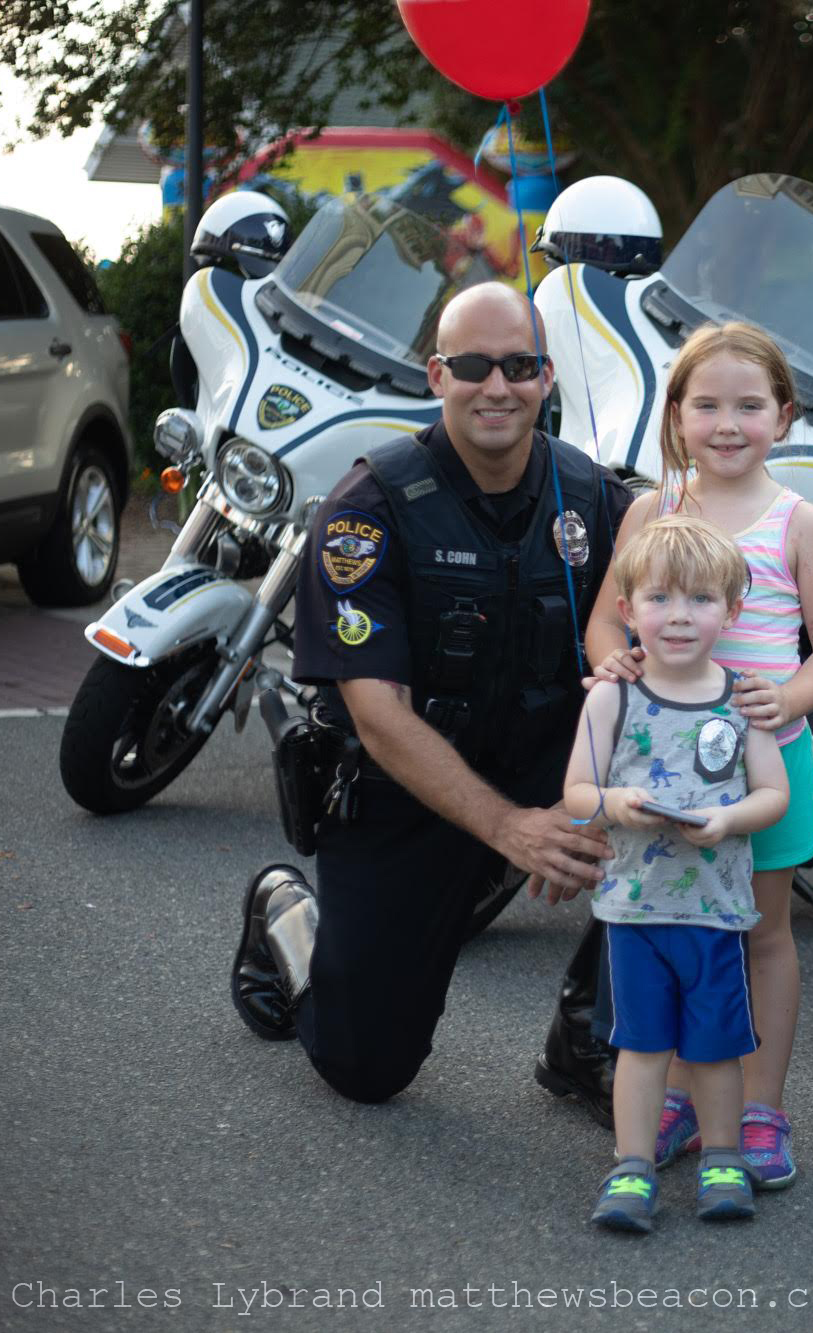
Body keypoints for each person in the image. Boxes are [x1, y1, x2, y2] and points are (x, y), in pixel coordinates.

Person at [228, 282, 633, 1110]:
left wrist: (589, 806)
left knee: (688, 776)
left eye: (519, 365)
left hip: (540, 760)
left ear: (547, 377)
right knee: (366, 1068)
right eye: (475, 366)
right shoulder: (368, 510)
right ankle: (287, 915)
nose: (498, 386)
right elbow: (378, 718)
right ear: (435, 374)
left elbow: (677, 544)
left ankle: (592, 1036)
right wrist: (512, 829)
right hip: (406, 790)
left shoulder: (590, 495)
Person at [582, 321, 813, 1189]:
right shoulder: (651, 512)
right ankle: (674, 1100)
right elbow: (603, 618)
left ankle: (760, 1108)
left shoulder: (799, 524)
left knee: (762, 933)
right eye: (707, 405)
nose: (728, 423)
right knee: (665, 931)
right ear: (676, 414)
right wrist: (611, 659)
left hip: (769, 763)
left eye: (749, 405)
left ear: (783, 414)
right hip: (656, 772)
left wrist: (792, 699)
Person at [564, 514, 791, 1230]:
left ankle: (721, 1156)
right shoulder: (612, 697)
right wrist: (617, 803)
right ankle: (631, 1166)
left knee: (718, 1045)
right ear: (627, 611)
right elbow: (575, 794)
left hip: (716, 912)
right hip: (634, 911)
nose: (680, 616)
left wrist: (729, 821)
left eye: (699, 600)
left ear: (730, 610)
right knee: (640, 1044)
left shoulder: (743, 698)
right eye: (660, 599)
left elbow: (773, 793)